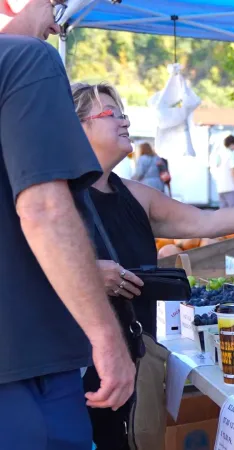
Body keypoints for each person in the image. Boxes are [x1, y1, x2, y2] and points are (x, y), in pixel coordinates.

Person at [70, 81, 234, 448]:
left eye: (124, 113)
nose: (125, 121)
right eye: (112, 113)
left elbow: (205, 222)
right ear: (76, 127)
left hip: (137, 359)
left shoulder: (136, 195)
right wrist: (88, 274)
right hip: (79, 366)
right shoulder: (56, 198)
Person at [0, 2, 135, 449]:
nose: (57, 22)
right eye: (54, 3)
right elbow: (45, 211)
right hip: (25, 369)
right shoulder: (25, 58)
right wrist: (106, 338)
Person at [210, 135, 234, 208]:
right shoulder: (230, 154)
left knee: (223, 213)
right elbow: (233, 171)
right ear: (231, 144)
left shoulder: (218, 154)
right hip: (231, 187)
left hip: (220, 188)